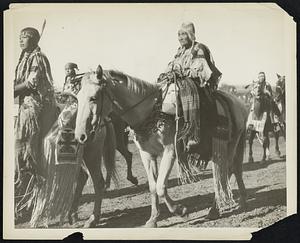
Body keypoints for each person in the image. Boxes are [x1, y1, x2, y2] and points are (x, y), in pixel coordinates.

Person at [157, 22, 222, 161]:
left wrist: (184, 72)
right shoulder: (179, 51)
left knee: (187, 89)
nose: (180, 38)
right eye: (178, 35)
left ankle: (193, 133)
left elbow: (202, 70)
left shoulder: (199, 49)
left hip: (196, 85)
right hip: (178, 82)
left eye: (183, 34)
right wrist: (167, 74)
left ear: (190, 35)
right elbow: (171, 66)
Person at [14, 27, 56, 177]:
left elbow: (31, 83)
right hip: (21, 99)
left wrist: (10, 90)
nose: (20, 40)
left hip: (35, 100)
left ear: (34, 39)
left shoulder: (37, 57)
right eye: (20, 36)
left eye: (25, 37)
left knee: (25, 130)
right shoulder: (24, 59)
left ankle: (29, 166)